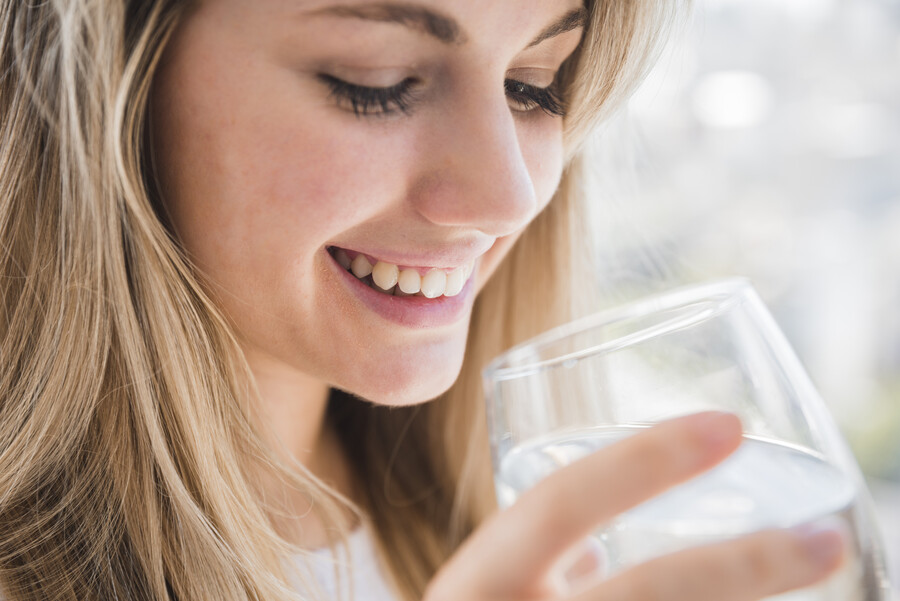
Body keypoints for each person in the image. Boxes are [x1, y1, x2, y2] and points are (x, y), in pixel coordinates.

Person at [0, 1, 846, 600]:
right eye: (380, 81)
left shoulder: (535, 538)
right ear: (111, 84)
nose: (508, 195)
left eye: (534, 84)